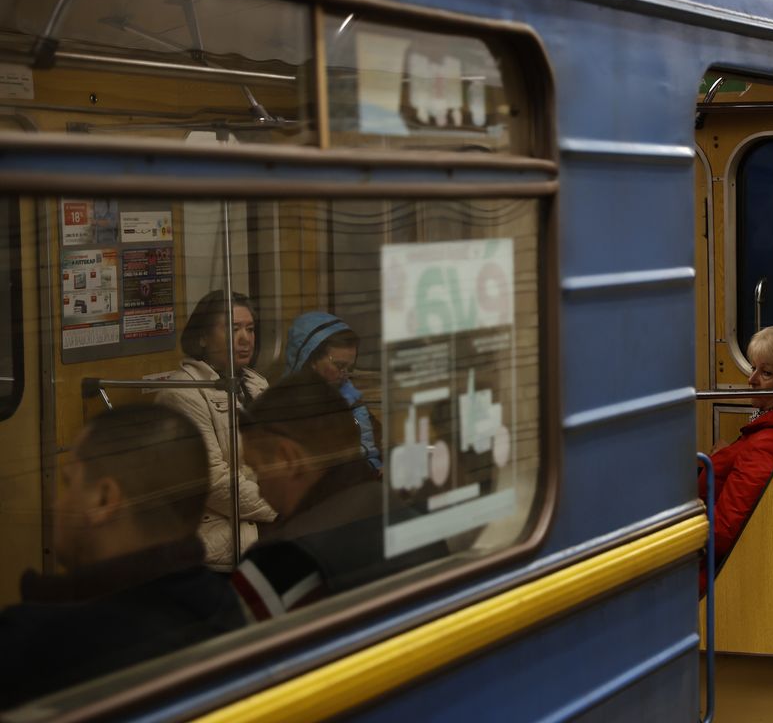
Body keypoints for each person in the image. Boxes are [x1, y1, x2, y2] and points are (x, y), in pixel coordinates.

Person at [0, 406, 244, 710]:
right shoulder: (225, 605)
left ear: (103, 499)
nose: (57, 503)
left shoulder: (36, 645)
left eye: (68, 483)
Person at [231, 375, 446, 620]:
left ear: (287, 457)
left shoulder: (276, 567)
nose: (260, 490)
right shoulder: (409, 518)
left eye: (259, 471)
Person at [158, 290, 274, 570]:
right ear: (202, 338)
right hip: (218, 534)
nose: (245, 338)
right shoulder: (182, 393)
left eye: (250, 329)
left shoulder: (257, 384)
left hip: (262, 516)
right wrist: (281, 504)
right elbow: (211, 481)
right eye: (233, 329)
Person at [697, 326, 773, 595]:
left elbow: (724, 532)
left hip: (714, 581)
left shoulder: (766, 444)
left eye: (767, 373)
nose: (751, 380)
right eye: (752, 368)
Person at [283, 311, 381, 473]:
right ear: (311, 360)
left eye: (349, 368)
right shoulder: (285, 407)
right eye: (339, 366)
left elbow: (373, 446)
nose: (344, 375)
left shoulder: (351, 400)